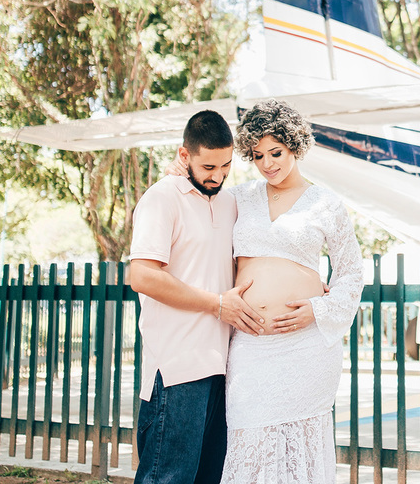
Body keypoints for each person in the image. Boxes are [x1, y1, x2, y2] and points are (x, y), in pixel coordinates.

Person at [170, 99, 364, 483]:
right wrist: (178, 169)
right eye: (257, 155)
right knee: (249, 442)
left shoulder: (325, 203)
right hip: (251, 344)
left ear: (295, 145)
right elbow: (194, 198)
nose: (268, 164)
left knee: (299, 452)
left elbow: (351, 271)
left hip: (306, 347)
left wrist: (316, 310)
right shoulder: (239, 197)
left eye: (276, 152)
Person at [127, 110, 265, 484]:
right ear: (183, 156)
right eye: (208, 166)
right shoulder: (161, 197)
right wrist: (217, 304)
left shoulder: (229, 201)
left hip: (223, 368)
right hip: (177, 368)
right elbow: (140, 275)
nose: (217, 176)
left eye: (225, 165)